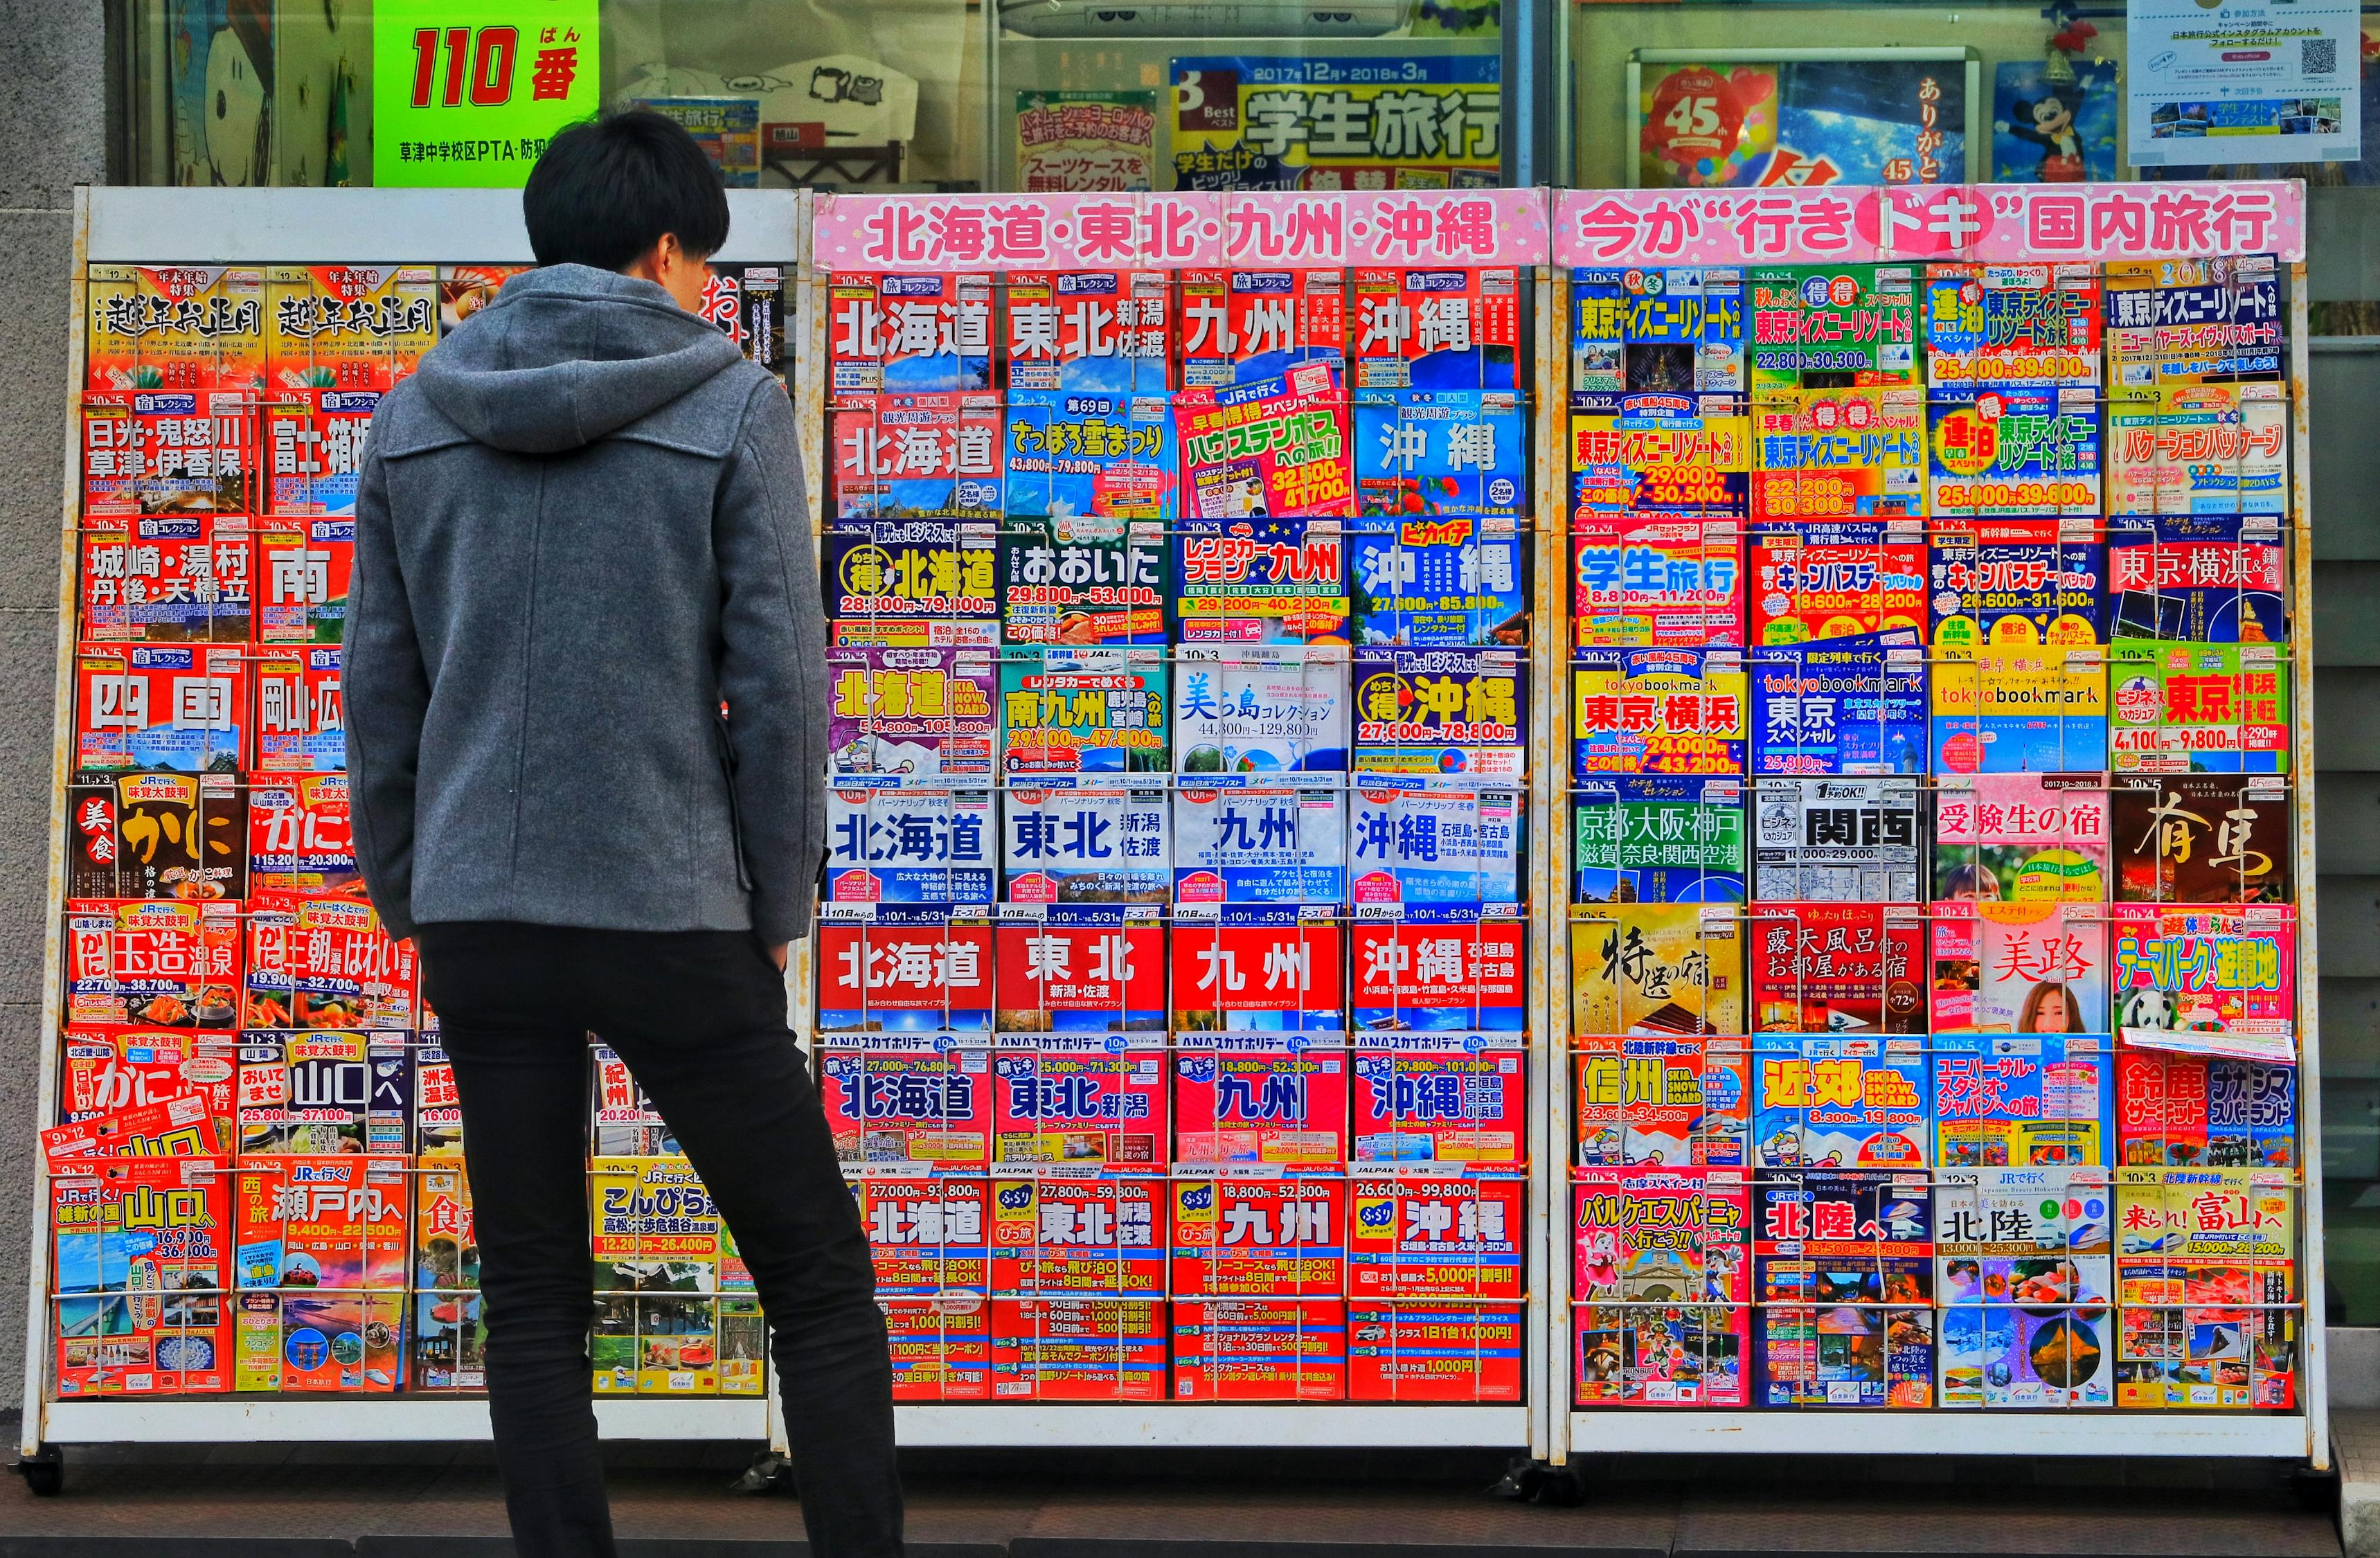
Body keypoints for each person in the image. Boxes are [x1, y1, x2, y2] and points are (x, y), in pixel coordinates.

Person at [343, 109, 902, 1558]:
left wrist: (416, 894)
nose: (709, 289)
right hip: (668, 906)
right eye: (704, 262)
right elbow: (782, 682)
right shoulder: (728, 405)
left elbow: (378, 689)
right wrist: (776, 900)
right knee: (817, 1279)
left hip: (480, 912)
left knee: (533, 1295)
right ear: (666, 251)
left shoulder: (412, 418)